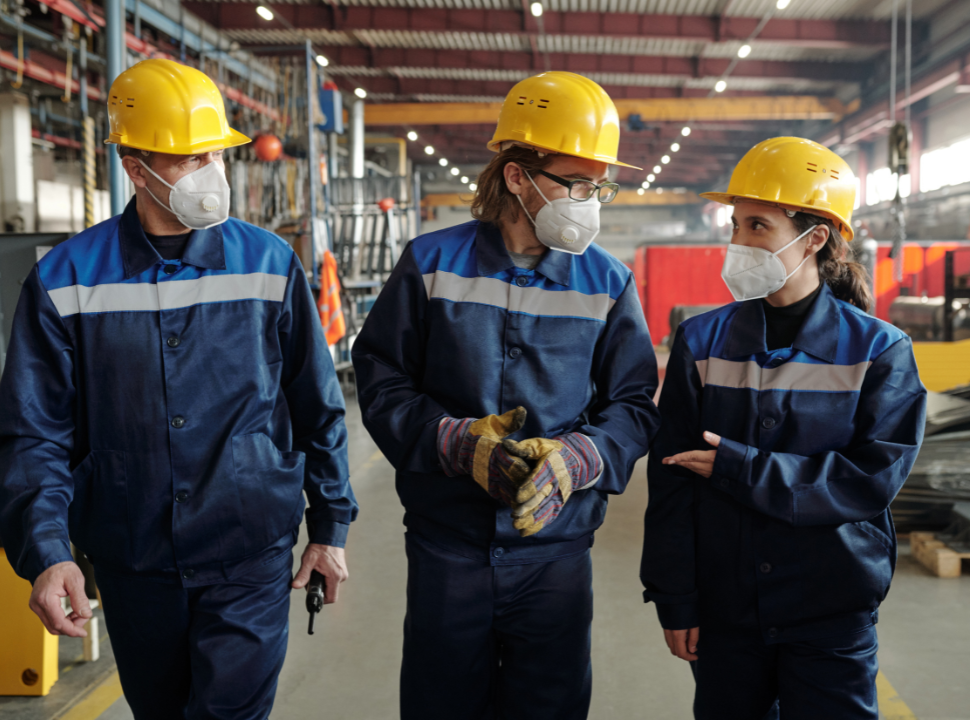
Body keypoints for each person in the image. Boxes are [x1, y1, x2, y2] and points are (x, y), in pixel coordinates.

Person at [0, 59, 357, 719]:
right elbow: (34, 432)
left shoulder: (269, 264)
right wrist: (47, 552)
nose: (210, 176)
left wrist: (329, 524)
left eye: (214, 156)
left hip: (247, 551)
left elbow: (317, 406)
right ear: (137, 170)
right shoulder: (65, 278)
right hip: (133, 557)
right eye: (187, 161)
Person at [352, 71, 659, 719]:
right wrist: (451, 440)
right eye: (575, 184)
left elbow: (633, 405)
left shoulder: (608, 282)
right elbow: (382, 378)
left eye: (597, 185)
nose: (589, 200)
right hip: (448, 545)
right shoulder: (431, 265)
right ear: (517, 176)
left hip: (556, 550)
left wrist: (580, 459)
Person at [640, 137, 927, 720]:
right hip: (725, 610)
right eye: (735, 225)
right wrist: (675, 597)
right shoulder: (702, 341)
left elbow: (868, 481)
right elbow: (670, 482)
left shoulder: (879, 351)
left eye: (757, 226)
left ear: (814, 237)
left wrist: (744, 469)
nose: (737, 243)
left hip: (830, 606)